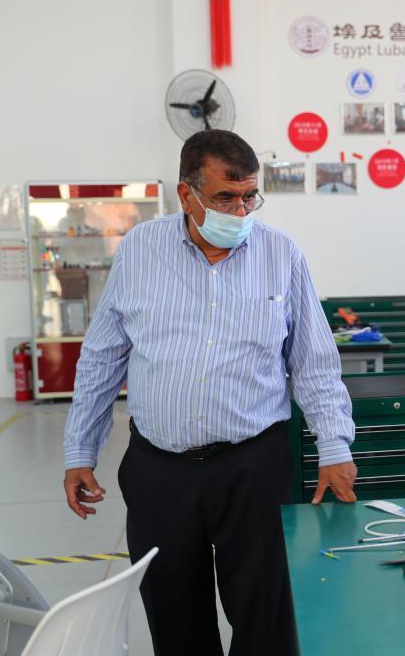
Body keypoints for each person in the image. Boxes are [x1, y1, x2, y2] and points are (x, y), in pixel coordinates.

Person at [62, 129, 358, 655]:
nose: (240, 211)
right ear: (186, 194)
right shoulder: (141, 250)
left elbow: (313, 362)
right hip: (160, 470)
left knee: (265, 615)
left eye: (249, 196)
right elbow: (104, 356)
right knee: (173, 614)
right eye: (225, 197)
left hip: (254, 466)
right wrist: (80, 450)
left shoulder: (281, 254)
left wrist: (334, 446)